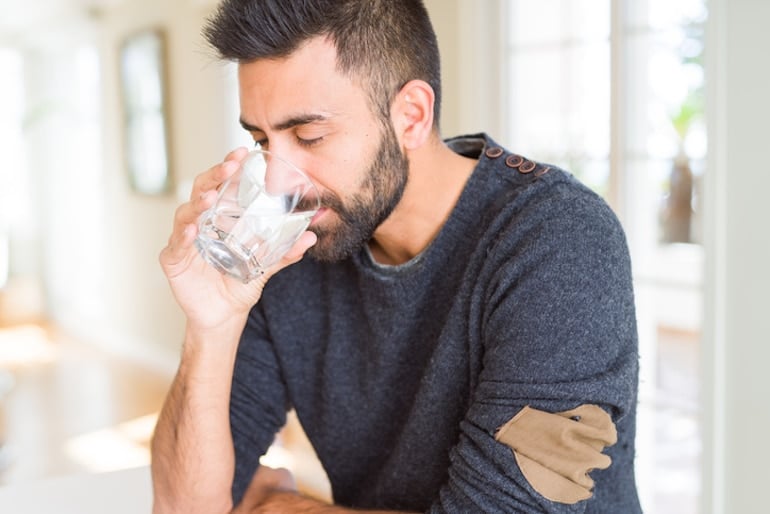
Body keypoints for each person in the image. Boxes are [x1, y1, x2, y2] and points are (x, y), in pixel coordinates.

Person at [151, 1, 642, 512]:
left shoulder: (557, 241)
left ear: (410, 116)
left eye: (309, 136)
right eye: (260, 140)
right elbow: (181, 506)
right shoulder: (296, 243)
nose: (275, 182)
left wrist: (284, 509)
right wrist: (210, 326)